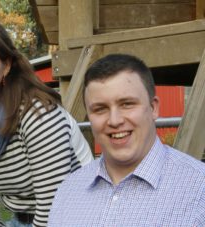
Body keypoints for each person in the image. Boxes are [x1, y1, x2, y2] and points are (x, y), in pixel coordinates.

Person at [0, 17, 92, 227]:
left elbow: (54, 205)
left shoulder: (37, 114)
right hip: (19, 221)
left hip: (74, 217)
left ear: (5, 66)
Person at [48, 54, 205, 226]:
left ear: (153, 108)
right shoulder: (68, 191)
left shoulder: (199, 189)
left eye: (127, 104)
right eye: (100, 109)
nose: (114, 120)